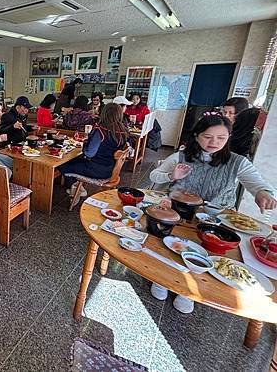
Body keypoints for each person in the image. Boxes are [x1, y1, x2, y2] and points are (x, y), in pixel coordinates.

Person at [149, 113, 276, 314]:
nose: (214, 142)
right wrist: (170, 175)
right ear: (197, 135)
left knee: (207, 250)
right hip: (180, 213)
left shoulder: (237, 162)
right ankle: (163, 279)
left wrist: (263, 194)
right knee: (171, 244)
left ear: (228, 138)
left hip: (215, 219)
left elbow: (257, 184)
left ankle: (187, 291)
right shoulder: (181, 156)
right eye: (208, 137)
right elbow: (154, 175)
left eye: (221, 138)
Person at [59, 103, 129, 197]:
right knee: (73, 161)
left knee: (62, 165)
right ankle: (76, 186)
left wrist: (85, 144)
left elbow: (89, 153)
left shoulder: (101, 130)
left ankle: (76, 188)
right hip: (111, 169)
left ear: (104, 113)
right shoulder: (123, 130)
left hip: (96, 170)